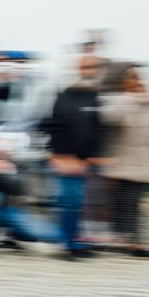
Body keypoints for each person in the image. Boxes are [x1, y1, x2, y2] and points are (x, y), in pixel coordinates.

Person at [99, 62, 149, 257]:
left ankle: (132, 240)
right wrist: (129, 99)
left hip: (142, 160)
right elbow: (108, 118)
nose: (137, 82)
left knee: (134, 202)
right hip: (120, 160)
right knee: (122, 202)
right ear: (120, 80)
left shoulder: (148, 102)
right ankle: (126, 240)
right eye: (132, 77)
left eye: (138, 77)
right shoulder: (113, 100)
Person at [45, 54, 106, 259]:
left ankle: (80, 240)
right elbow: (56, 127)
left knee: (87, 205)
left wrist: (98, 156)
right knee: (71, 202)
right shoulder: (66, 96)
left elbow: (101, 129)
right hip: (70, 161)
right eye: (85, 67)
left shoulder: (98, 97)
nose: (90, 71)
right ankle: (70, 243)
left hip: (92, 161)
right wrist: (60, 155)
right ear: (78, 69)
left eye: (93, 67)